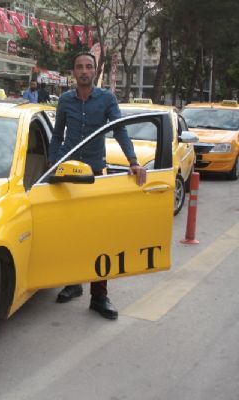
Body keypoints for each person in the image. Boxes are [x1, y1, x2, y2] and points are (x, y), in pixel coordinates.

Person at [47, 52, 147, 320]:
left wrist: (133, 162)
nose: (84, 71)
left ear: (95, 71)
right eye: (79, 67)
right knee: (70, 232)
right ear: (73, 71)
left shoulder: (107, 99)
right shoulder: (65, 100)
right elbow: (57, 135)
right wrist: (52, 165)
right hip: (67, 174)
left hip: (95, 174)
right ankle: (73, 283)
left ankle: (99, 296)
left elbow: (120, 130)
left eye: (88, 66)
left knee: (98, 235)